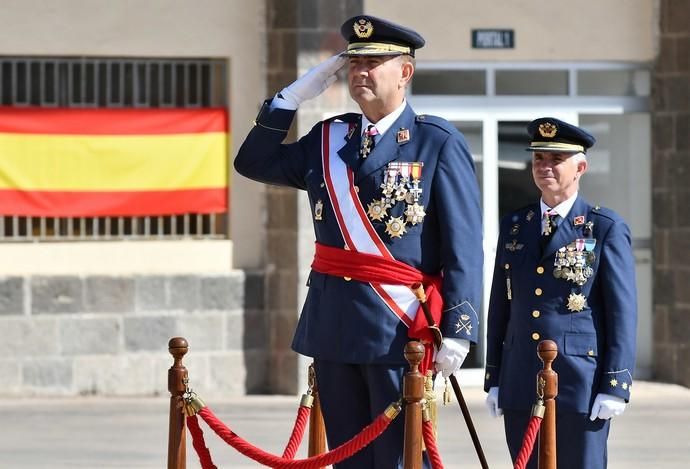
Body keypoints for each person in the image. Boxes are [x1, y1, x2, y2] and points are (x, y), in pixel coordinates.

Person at [234, 15, 483, 469]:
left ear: (405, 72)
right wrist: (290, 99)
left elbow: (463, 244)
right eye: (353, 63)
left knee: (400, 456)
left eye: (374, 63)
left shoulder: (436, 142)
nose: (360, 72)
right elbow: (253, 162)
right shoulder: (329, 138)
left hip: (398, 328)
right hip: (334, 325)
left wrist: (460, 332)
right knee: (349, 458)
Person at [483, 117, 638, 469]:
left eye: (556, 159)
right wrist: (495, 375)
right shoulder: (515, 225)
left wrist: (616, 383)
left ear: (580, 167)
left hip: (578, 382)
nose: (545, 167)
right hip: (522, 376)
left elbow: (621, 313)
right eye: (539, 159)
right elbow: (501, 305)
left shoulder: (604, 227)